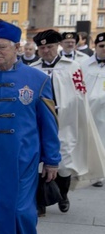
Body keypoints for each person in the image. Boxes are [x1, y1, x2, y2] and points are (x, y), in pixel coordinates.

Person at [0, 20, 60, 234]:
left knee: (19, 210)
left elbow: (48, 124)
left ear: (16, 47)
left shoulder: (37, 80)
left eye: (1, 47)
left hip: (23, 159)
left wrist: (52, 160)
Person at [31, 29, 105, 213]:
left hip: (65, 120)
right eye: (42, 48)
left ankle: (63, 194)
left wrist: (72, 110)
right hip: (40, 122)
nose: (46, 51)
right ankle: (41, 202)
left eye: (49, 47)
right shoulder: (33, 69)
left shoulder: (71, 67)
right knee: (39, 161)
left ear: (57, 46)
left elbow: (80, 94)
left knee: (64, 161)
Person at [80, 31, 105, 187]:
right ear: (95, 46)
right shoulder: (84, 65)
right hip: (87, 110)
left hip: (103, 113)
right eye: (102, 46)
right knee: (87, 142)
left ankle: (100, 175)